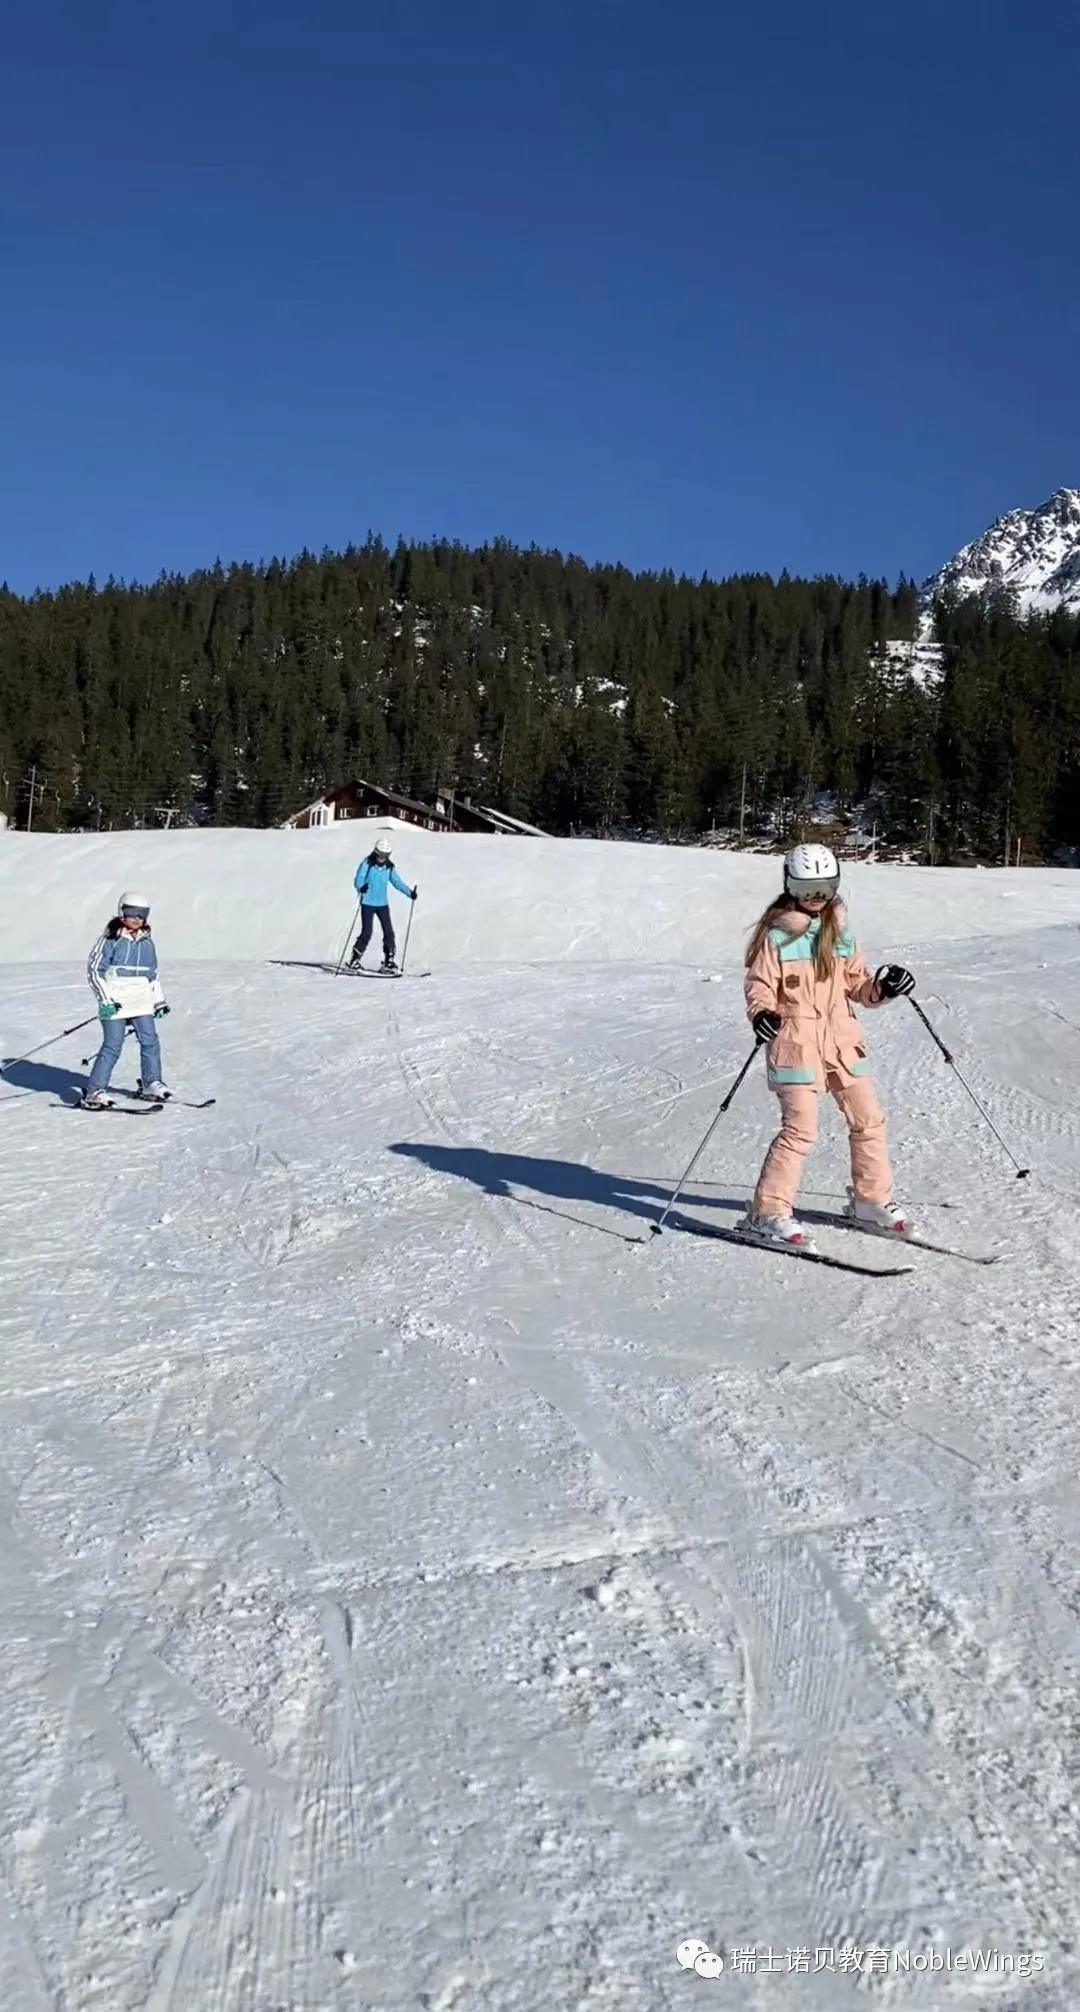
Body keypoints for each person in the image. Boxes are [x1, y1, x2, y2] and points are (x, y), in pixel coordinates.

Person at [740, 843, 916, 1246]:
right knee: (800, 1130)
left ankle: (871, 1200)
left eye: (825, 887)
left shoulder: (841, 933)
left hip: (842, 1044)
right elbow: (759, 986)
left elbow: (859, 985)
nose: (817, 896)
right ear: (789, 886)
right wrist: (762, 1013)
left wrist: (885, 987)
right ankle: (768, 1212)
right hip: (796, 1046)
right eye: (806, 889)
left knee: (869, 1119)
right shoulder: (777, 936)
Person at [82, 892, 170, 1108]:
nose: (138, 919)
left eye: (142, 914)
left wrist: (158, 1001)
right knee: (113, 1045)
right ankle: (95, 1091)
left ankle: (151, 1083)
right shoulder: (110, 940)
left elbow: (152, 975)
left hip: (141, 1001)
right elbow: (94, 971)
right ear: (122, 913)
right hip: (115, 1003)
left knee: (150, 1041)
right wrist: (105, 1000)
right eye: (133, 913)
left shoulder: (147, 943)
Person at [348, 830, 417, 972]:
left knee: (389, 932)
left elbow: (397, 882)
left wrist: (410, 893)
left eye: (386, 855)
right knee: (367, 932)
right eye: (380, 854)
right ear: (375, 852)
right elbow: (359, 878)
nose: (382, 858)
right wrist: (361, 887)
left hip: (382, 904)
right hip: (367, 903)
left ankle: (388, 961)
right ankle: (354, 960)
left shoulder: (389, 868)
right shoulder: (367, 864)